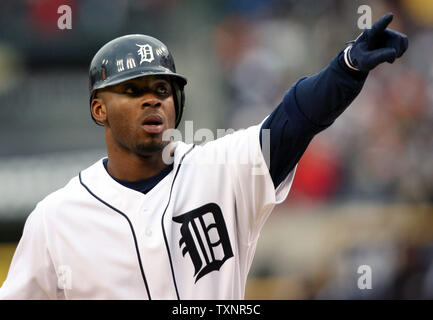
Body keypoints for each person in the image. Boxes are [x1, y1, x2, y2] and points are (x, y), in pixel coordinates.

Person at [0, 13, 407, 299]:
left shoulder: (221, 171)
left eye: (162, 89)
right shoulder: (56, 219)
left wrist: (346, 68)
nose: (151, 100)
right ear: (98, 109)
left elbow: (294, 119)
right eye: (133, 90)